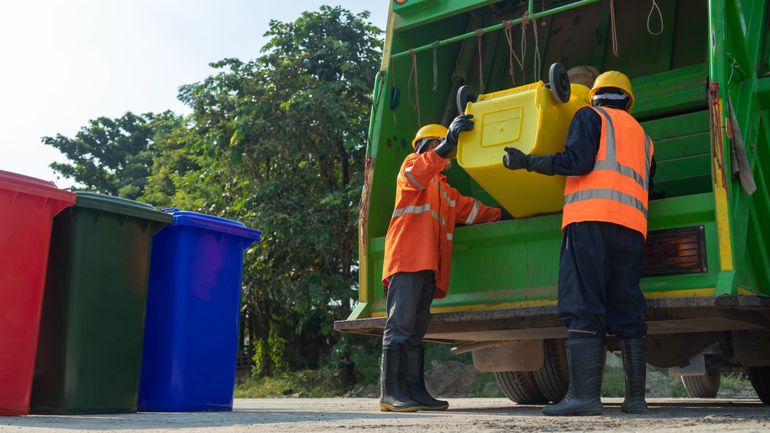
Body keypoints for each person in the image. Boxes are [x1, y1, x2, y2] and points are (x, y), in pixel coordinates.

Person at [502, 70, 655, 416]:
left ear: (595, 95)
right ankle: (635, 400)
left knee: (583, 302)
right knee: (628, 306)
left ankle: (584, 397)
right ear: (628, 100)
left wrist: (528, 162)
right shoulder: (643, 136)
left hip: (589, 220)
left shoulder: (589, 116)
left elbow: (578, 161)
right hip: (631, 227)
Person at [379, 115, 512, 412]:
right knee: (399, 326)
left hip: (427, 266)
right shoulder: (412, 166)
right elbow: (419, 172)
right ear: (430, 145)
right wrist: (447, 143)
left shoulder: (444, 191)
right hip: (407, 260)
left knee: (415, 330)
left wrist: (509, 212)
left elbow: (475, 211)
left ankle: (414, 390)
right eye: (442, 144)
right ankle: (390, 394)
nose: (447, 152)